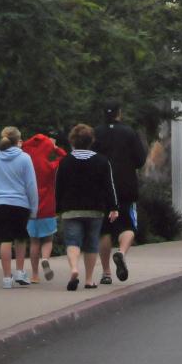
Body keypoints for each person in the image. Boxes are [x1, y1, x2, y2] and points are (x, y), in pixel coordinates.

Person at [56, 124, 118, 291]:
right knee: (91, 244)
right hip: (95, 209)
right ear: (91, 141)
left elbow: (59, 186)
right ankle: (89, 279)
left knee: (72, 242)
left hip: (71, 209)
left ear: (72, 141)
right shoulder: (102, 161)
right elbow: (108, 186)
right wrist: (113, 207)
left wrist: (57, 208)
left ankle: (74, 268)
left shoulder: (65, 161)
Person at [94, 102, 147, 285]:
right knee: (128, 227)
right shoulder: (129, 132)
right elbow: (140, 159)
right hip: (125, 187)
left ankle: (106, 273)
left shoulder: (96, 133)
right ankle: (121, 252)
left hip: (101, 188)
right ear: (119, 113)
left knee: (104, 231)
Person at [0, 127, 39, 289]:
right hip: (20, 204)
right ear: (18, 140)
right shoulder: (25, 158)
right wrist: (34, 209)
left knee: (5, 240)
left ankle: (7, 278)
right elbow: (31, 186)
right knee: (21, 237)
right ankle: (20, 271)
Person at [21, 130, 64, 283]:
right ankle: (45, 259)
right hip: (48, 207)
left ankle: (34, 275)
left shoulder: (26, 166)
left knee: (34, 241)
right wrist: (55, 147)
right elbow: (65, 157)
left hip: (31, 207)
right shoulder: (50, 166)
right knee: (48, 239)